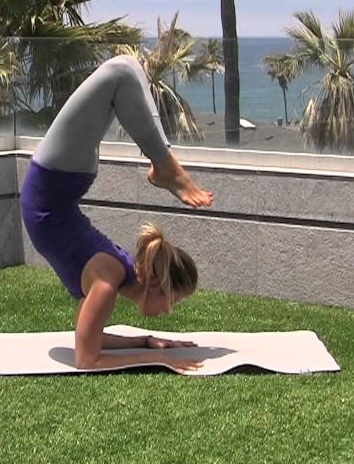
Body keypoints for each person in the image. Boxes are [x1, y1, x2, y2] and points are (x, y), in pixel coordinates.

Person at [20, 55, 215, 373]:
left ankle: (163, 164)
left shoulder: (113, 276)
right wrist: (157, 358)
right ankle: (164, 166)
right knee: (125, 70)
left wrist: (146, 341)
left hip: (59, 182)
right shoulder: (110, 279)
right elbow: (88, 359)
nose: (170, 312)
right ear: (156, 284)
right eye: (173, 301)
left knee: (123, 72)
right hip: (53, 182)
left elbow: (87, 340)